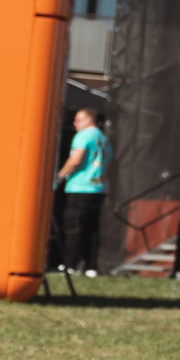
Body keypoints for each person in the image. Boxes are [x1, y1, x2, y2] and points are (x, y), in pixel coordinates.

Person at [53, 107, 109, 274]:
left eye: (78, 120)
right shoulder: (103, 138)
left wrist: (60, 176)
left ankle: (69, 264)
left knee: (73, 226)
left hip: (80, 187)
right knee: (91, 229)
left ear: (88, 120)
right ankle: (90, 266)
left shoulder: (84, 135)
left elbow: (76, 160)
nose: (75, 124)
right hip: (98, 188)